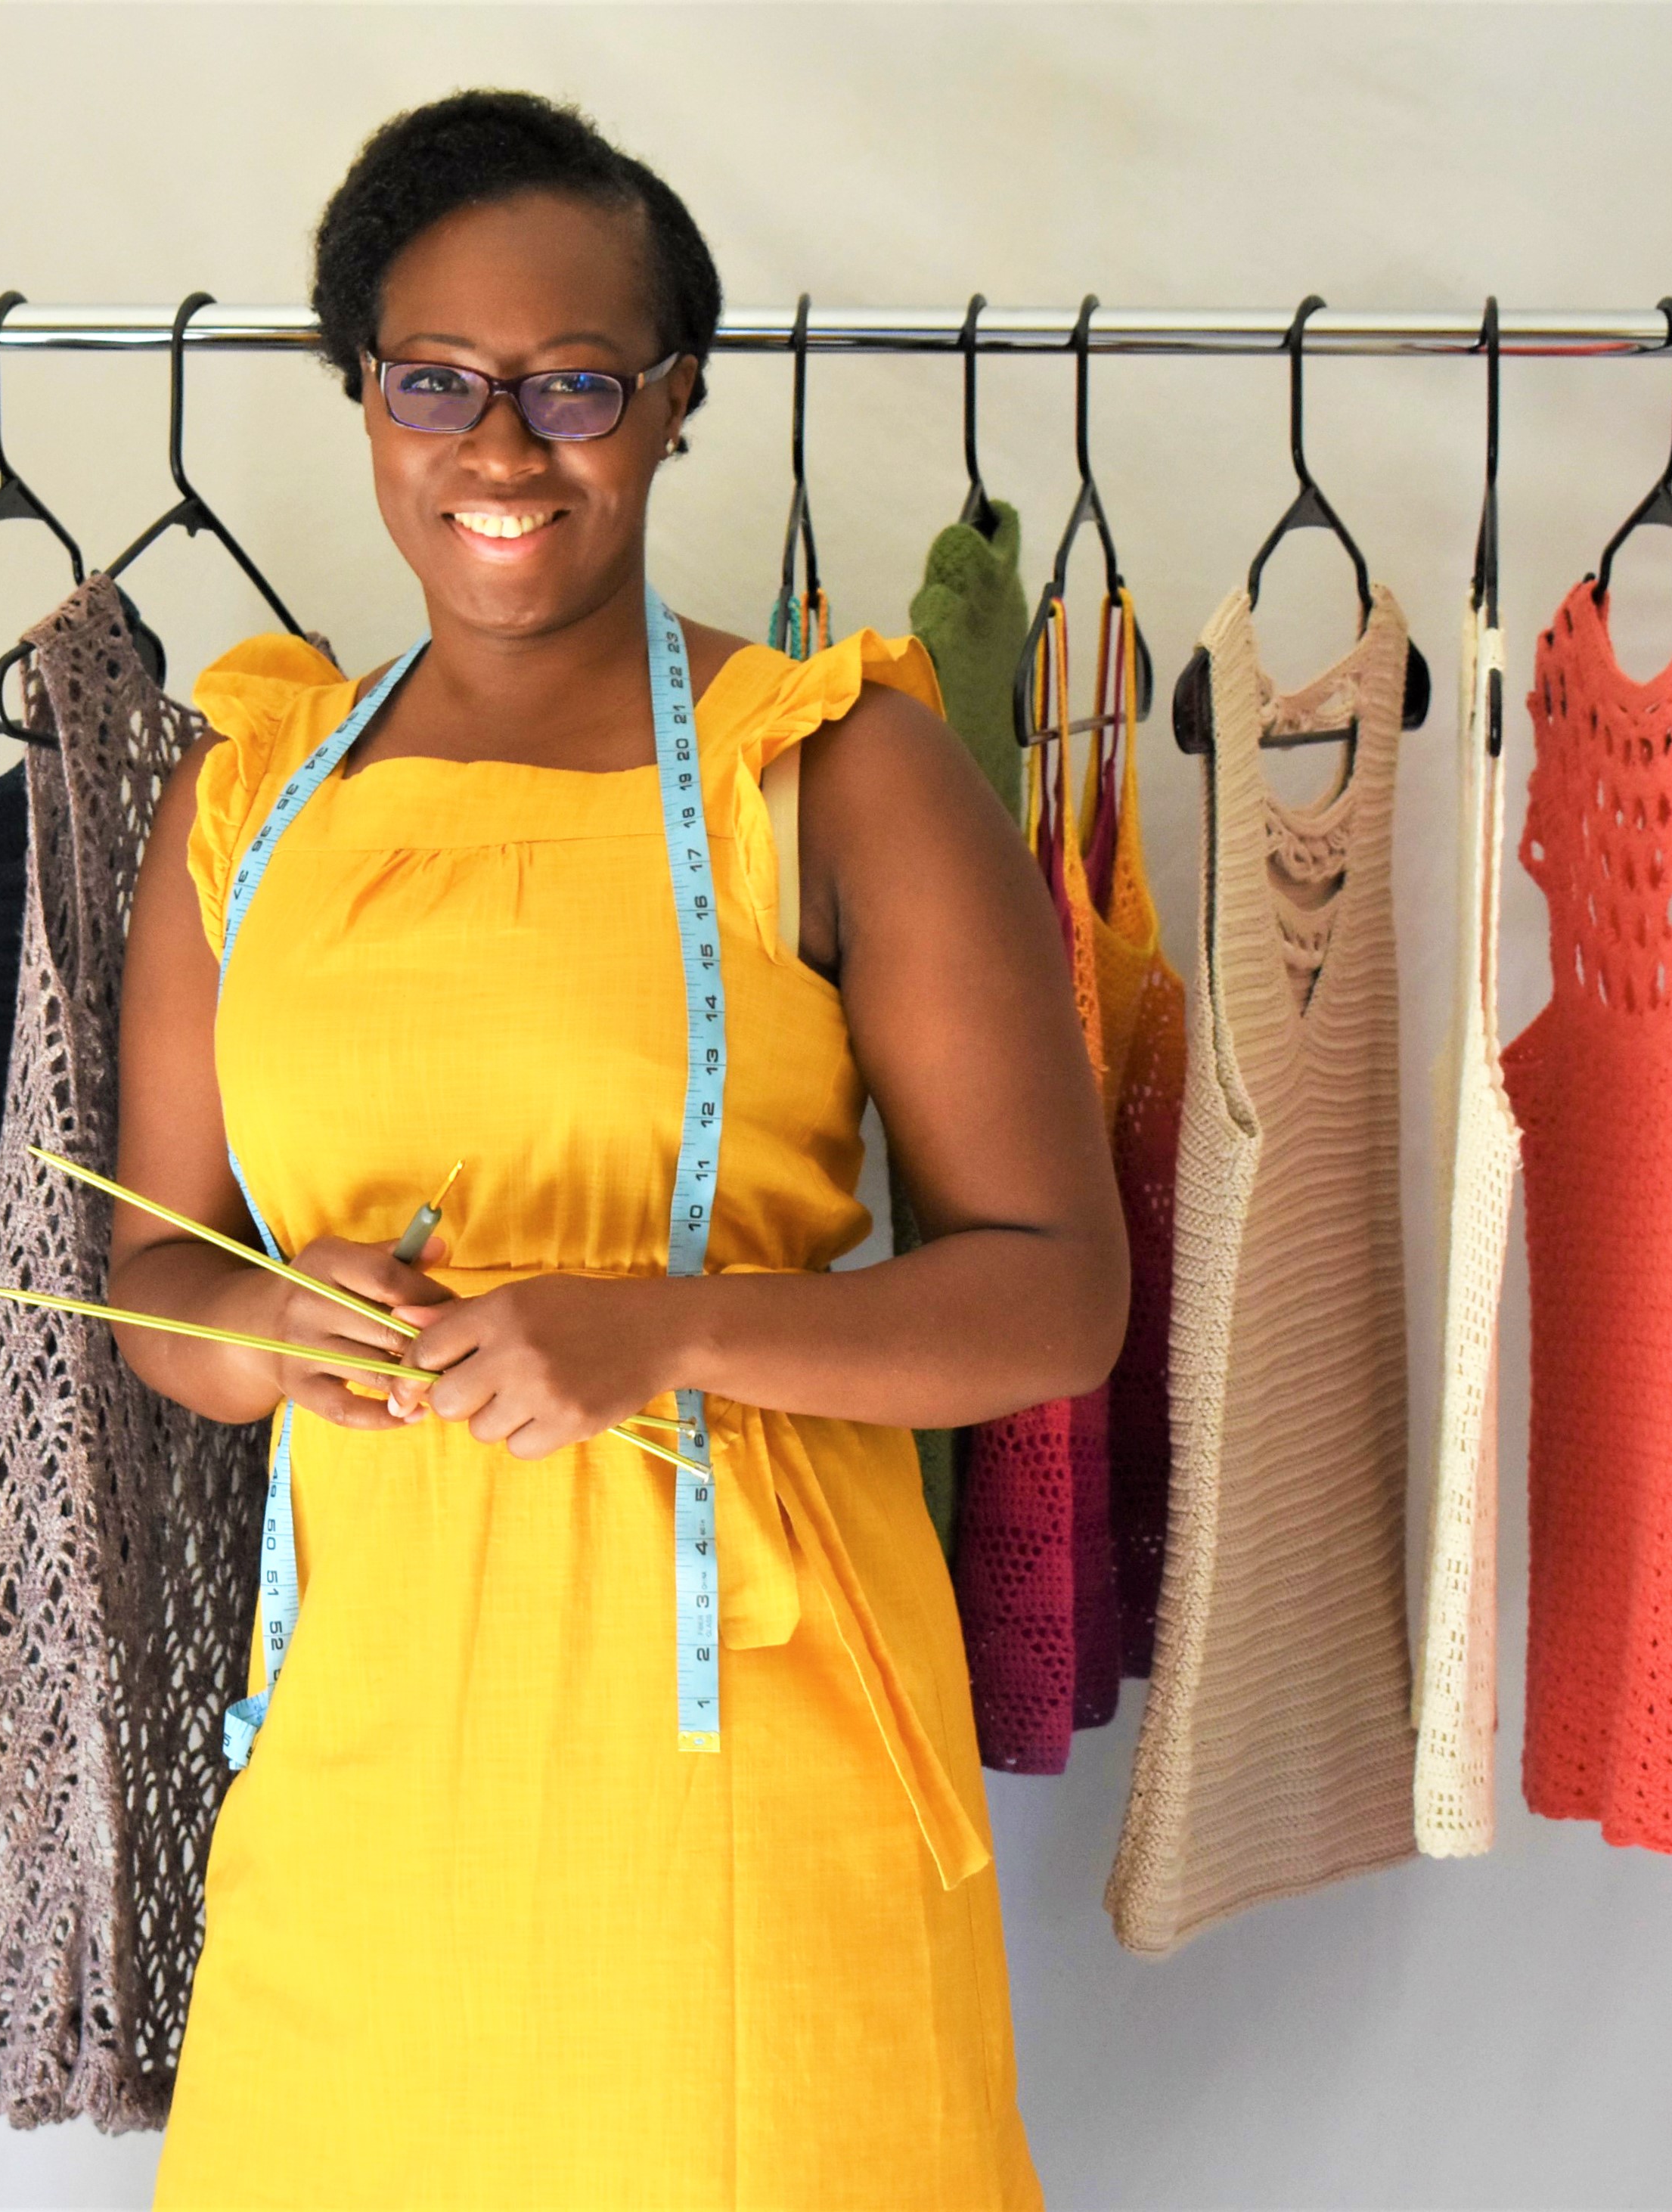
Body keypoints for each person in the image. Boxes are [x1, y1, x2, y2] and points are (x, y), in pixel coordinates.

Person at [112, 91, 1115, 2207]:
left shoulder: (835, 766)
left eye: (574, 384)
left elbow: (1055, 1292)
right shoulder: (244, 801)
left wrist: (654, 1329)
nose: (502, 449)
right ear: (364, 397)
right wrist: (275, 1328)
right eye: (436, 382)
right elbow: (155, 1277)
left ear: (671, 409)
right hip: (363, 1770)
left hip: (738, 1774)